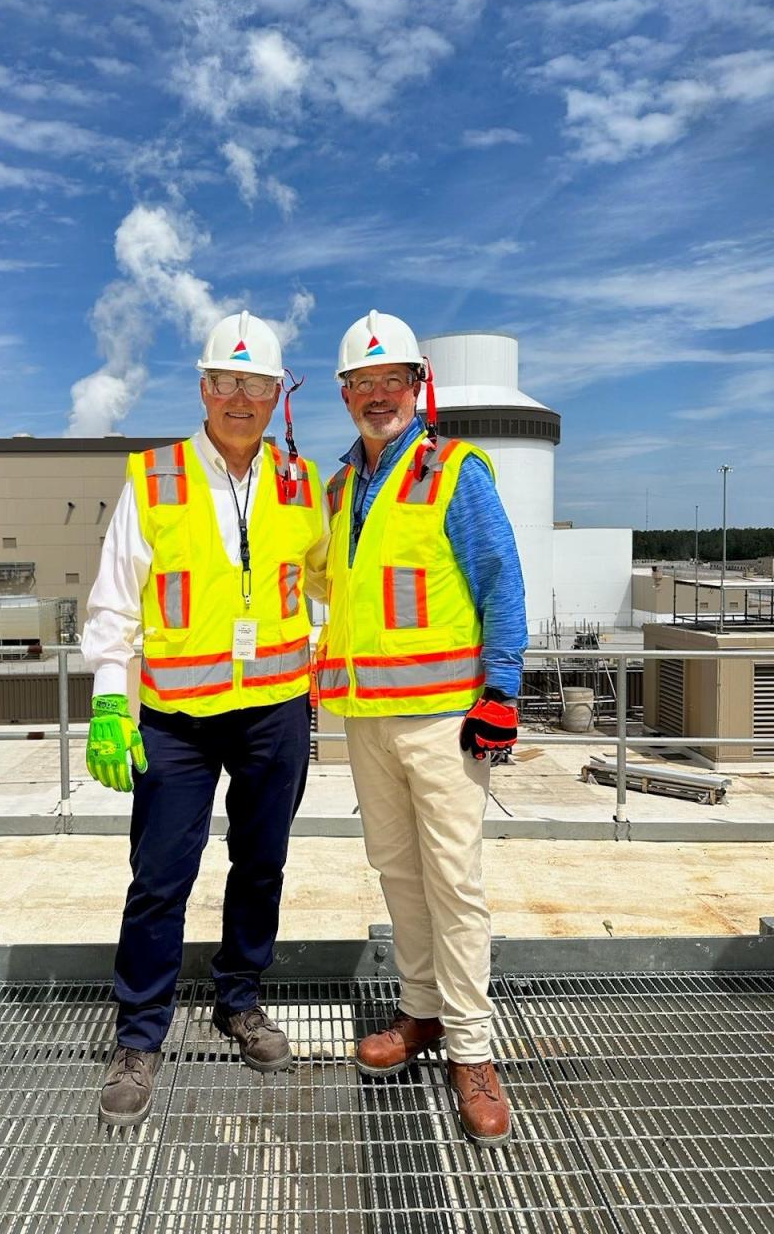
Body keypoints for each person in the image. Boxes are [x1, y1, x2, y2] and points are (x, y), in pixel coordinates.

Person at [82, 310, 327, 1127]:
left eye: (256, 385)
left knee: (260, 867)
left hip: (274, 714)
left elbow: (328, 585)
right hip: (178, 722)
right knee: (159, 881)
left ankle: (239, 1001)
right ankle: (141, 1035)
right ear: (203, 388)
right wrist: (112, 701)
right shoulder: (154, 478)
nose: (240, 398)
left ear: (276, 396)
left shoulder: (300, 482)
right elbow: (115, 603)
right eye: (226, 382)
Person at [316, 309, 526, 1148]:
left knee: (454, 883)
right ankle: (422, 1013)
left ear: (417, 387)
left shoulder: (454, 472)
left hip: (442, 719)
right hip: (367, 722)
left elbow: (500, 580)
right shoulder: (338, 489)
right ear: (344, 394)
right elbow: (331, 588)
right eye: (361, 384)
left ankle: (473, 1051)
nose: (377, 397)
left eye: (390, 381)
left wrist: (502, 691)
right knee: (398, 875)